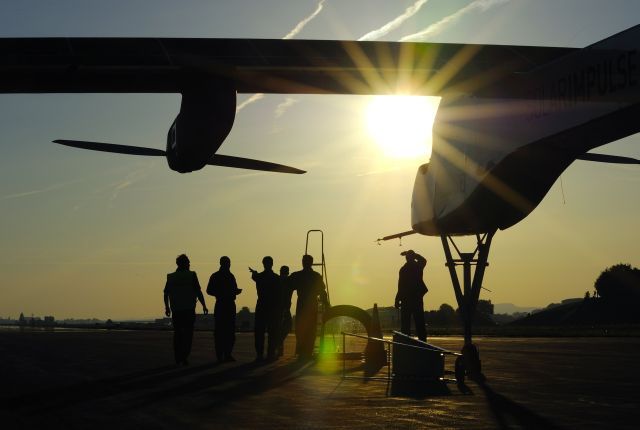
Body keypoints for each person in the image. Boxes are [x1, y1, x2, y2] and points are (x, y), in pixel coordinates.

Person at [164, 254, 208, 366]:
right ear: (184, 263)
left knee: (178, 334)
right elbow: (198, 291)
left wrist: (167, 307)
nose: (189, 264)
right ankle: (184, 356)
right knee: (188, 334)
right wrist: (204, 305)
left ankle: (178, 357)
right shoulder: (192, 275)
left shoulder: (171, 276)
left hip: (176, 310)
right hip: (188, 309)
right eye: (188, 262)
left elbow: (166, 293)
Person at [289, 254, 328, 360]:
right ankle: (307, 351)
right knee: (309, 328)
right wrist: (326, 305)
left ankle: (303, 351)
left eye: (304, 261)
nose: (303, 262)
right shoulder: (315, 276)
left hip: (303, 304)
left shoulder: (298, 275)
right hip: (310, 304)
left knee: (303, 328)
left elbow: (288, 287)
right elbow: (322, 292)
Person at [207, 256, 242, 363]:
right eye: (228, 263)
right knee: (224, 331)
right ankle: (223, 354)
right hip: (224, 304)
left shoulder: (226, 276)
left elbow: (209, 290)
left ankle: (224, 354)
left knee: (226, 331)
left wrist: (234, 291)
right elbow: (209, 290)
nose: (229, 265)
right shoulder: (221, 276)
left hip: (226, 304)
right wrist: (222, 293)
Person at [250, 256, 282, 361]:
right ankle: (270, 353)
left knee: (259, 332)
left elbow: (254, 276)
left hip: (262, 306)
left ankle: (260, 354)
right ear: (272, 264)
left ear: (263, 264)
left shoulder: (259, 277)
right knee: (273, 332)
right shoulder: (276, 278)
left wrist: (254, 272)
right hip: (273, 307)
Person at [395, 249, 428, 341]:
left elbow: (400, 285)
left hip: (407, 299)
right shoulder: (417, 266)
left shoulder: (405, 269)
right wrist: (414, 254)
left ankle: (407, 342)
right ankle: (422, 341)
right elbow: (423, 260)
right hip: (415, 298)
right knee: (419, 322)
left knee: (407, 323)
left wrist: (397, 299)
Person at [278, 265, 292, 357]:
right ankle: (279, 345)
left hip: (281, 307)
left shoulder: (278, 280)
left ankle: (279, 346)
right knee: (287, 326)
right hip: (283, 307)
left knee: (281, 328)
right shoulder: (288, 281)